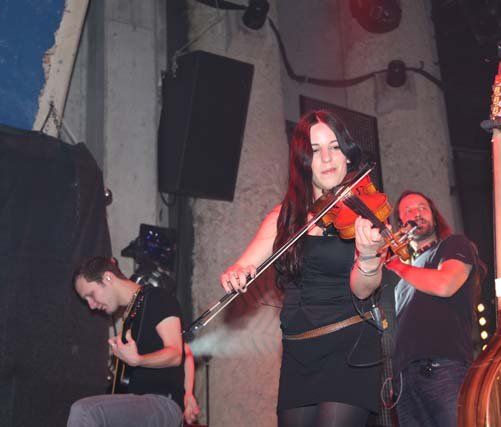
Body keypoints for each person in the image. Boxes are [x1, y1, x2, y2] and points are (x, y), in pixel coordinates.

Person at [221, 110, 385, 427]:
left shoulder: (367, 213)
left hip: (348, 346)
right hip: (299, 351)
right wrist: (236, 272)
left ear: (348, 155)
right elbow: (245, 263)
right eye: (315, 150)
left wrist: (367, 257)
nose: (327, 158)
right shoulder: (284, 217)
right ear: (303, 162)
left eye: (335, 147)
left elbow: (364, 290)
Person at [353, 191, 485, 427]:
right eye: (408, 210)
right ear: (400, 224)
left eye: (422, 207)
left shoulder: (454, 244)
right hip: (404, 383)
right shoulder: (401, 277)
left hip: (444, 368)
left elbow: (445, 284)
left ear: (434, 215)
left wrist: (397, 266)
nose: (417, 213)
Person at [67, 257, 200, 427]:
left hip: (161, 404)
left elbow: (175, 354)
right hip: (141, 407)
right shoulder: (130, 318)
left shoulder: (156, 298)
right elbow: (186, 351)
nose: (91, 306)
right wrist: (188, 394)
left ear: (108, 277)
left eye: (91, 295)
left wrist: (138, 360)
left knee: (85, 411)